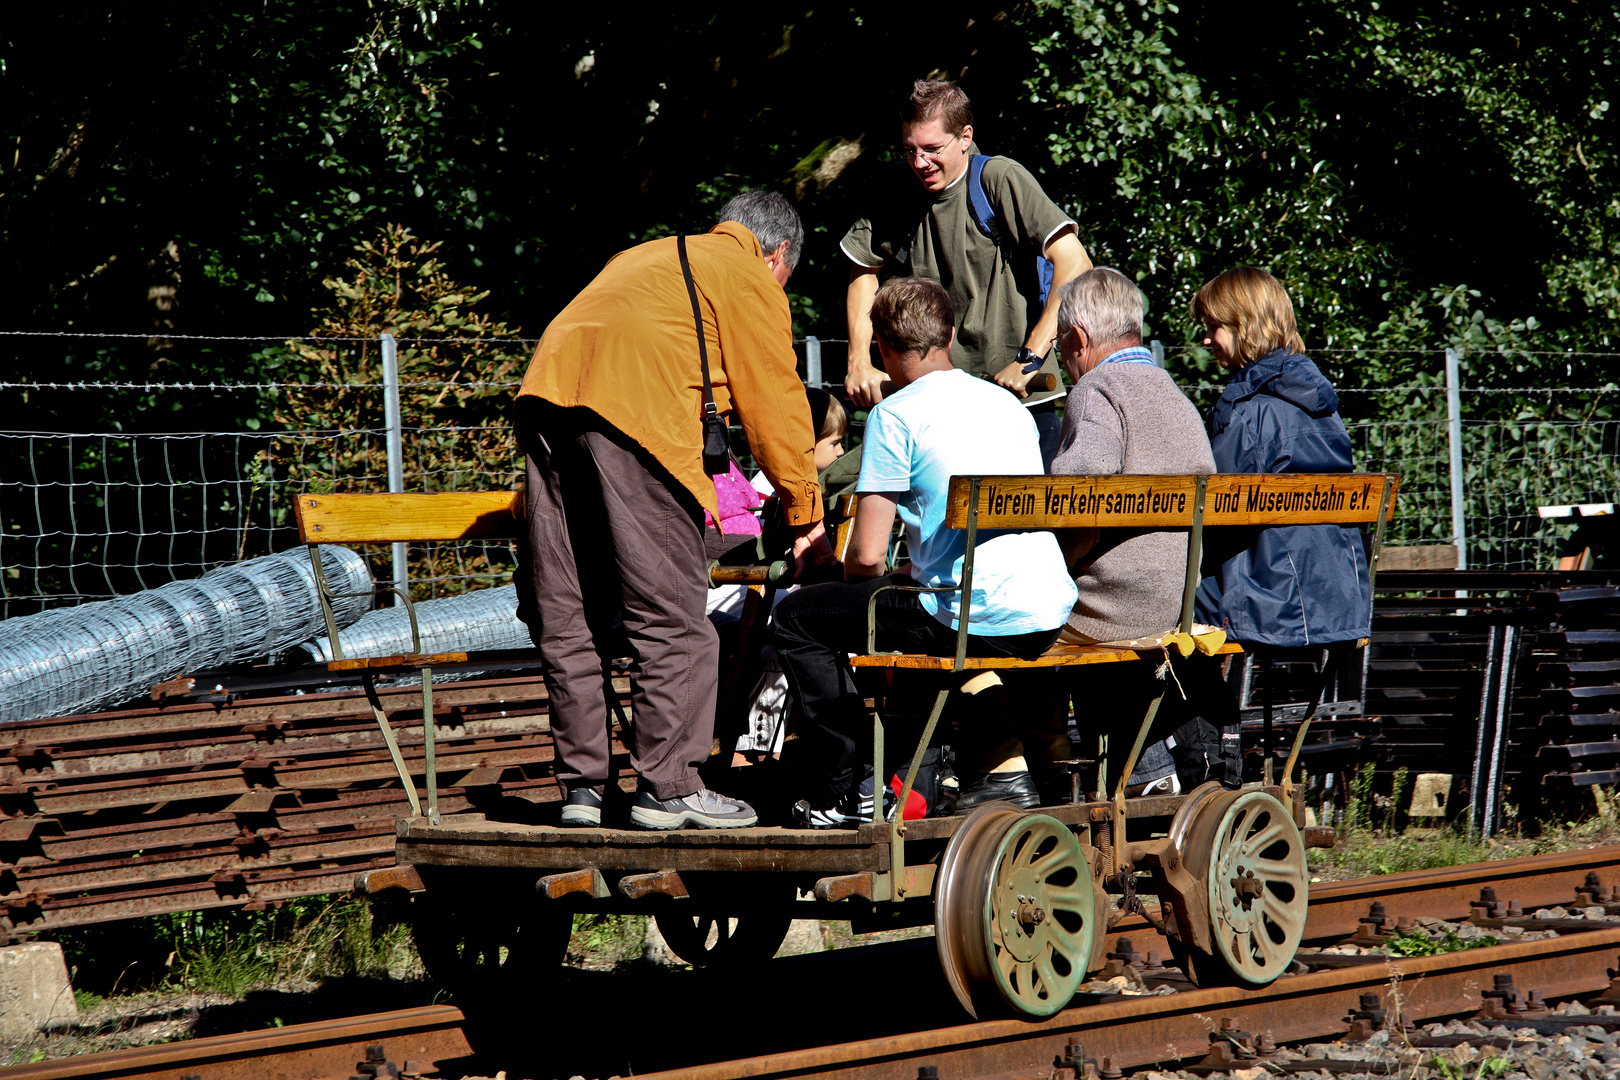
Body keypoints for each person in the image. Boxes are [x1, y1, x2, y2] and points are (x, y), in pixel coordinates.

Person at [514, 190, 831, 831]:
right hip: (636, 421)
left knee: (570, 614)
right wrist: (806, 514)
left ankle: (583, 790)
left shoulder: (641, 256)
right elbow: (774, 403)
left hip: (544, 408)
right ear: (776, 255)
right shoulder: (745, 273)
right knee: (673, 619)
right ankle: (671, 789)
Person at [772, 277, 1077, 826]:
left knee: (797, 618)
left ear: (882, 348)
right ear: (951, 335)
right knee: (906, 602)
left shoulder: (895, 415)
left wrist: (836, 570)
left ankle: (850, 787)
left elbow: (867, 558)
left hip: (973, 617)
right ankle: (919, 777)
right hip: (1047, 607)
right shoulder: (1008, 404)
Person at [1049, 268, 1239, 795]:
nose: (1063, 360)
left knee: (1032, 626)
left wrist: (1062, 560)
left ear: (1078, 338)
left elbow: (1077, 494)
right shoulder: (1175, 394)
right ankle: (1152, 762)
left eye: (1061, 347)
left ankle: (1134, 773)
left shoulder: (1095, 390)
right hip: (1177, 601)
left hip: (1113, 607)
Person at [839, 80, 1093, 467]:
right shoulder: (896, 188)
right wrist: (858, 360)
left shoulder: (999, 178)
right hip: (933, 406)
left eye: (932, 149)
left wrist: (1029, 359)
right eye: (910, 150)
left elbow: (1075, 263)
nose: (919, 162)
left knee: (1027, 507)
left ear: (965, 137)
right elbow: (863, 270)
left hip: (1019, 404)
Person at [1192, 266, 1372, 647]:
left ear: (1243, 324)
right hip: (1339, 599)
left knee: (1165, 596)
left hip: (1269, 603)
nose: (1206, 340)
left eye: (1213, 327)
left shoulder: (1245, 413)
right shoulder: (1324, 407)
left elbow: (1211, 515)